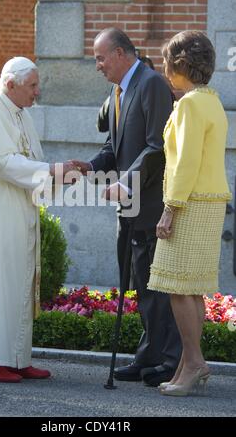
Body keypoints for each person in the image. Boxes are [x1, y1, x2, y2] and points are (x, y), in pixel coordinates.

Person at [71, 28, 182, 386]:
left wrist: (125, 182)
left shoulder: (150, 84)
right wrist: (89, 166)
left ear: (120, 53)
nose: (98, 65)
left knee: (157, 287)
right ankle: (148, 354)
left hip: (149, 204)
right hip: (129, 204)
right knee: (140, 285)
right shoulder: (118, 90)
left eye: (101, 58)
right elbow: (113, 146)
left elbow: (155, 147)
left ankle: (169, 360)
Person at [0, 57, 74, 383]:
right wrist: (52, 171)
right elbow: (4, 163)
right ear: (11, 84)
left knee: (18, 278)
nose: (37, 92)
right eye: (32, 86)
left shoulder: (21, 113)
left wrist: (58, 175)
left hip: (18, 202)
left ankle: (17, 357)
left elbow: (31, 162)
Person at [147, 30, 231, 396]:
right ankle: (188, 363)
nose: (165, 69)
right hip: (208, 202)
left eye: (167, 62)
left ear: (180, 65)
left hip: (190, 202)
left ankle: (194, 361)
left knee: (179, 289)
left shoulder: (189, 105)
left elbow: (185, 162)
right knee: (192, 288)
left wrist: (170, 209)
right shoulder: (211, 101)